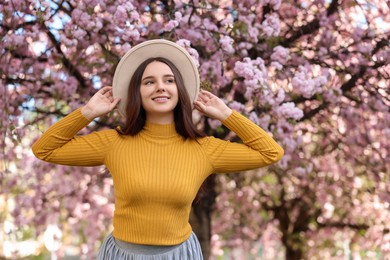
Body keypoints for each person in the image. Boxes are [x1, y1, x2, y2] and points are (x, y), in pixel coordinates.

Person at [32, 39, 284, 259]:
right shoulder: (113, 143)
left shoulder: (204, 149)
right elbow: (45, 149)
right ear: (137, 93)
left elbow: (270, 152)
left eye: (169, 80)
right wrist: (87, 113)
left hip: (180, 255)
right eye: (149, 82)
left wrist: (226, 114)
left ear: (179, 91)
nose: (160, 87)